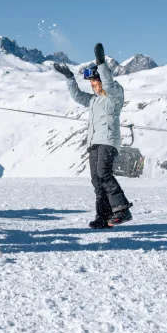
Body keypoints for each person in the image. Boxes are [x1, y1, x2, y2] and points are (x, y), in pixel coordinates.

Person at [54, 43, 133, 228]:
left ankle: (121, 209)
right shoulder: (93, 100)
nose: (93, 86)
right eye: (91, 83)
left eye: (95, 82)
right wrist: (69, 77)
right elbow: (77, 96)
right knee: (97, 181)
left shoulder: (114, 95)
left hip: (108, 140)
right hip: (94, 142)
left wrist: (101, 64)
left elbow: (109, 84)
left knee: (104, 174)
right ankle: (104, 217)